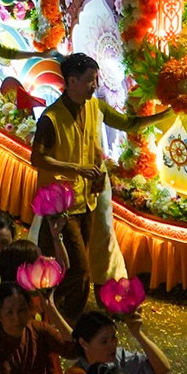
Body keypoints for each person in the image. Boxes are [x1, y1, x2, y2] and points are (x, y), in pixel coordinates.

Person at [29, 53, 162, 317]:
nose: (95, 85)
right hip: (61, 204)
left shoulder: (95, 107)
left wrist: (166, 115)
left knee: (78, 265)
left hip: (88, 198)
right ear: (71, 81)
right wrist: (75, 169)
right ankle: (69, 322)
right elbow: (37, 158)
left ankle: (62, 317)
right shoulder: (50, 118)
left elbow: (127, 123)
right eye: (90, 80)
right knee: (78, 268)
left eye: (96, 79)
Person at [50, 309, 169, 374]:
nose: (112, 345)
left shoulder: (120, 359)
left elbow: (162, 368)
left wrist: (138, 334)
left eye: (114, 338)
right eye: (104, 342)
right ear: (83, 343)